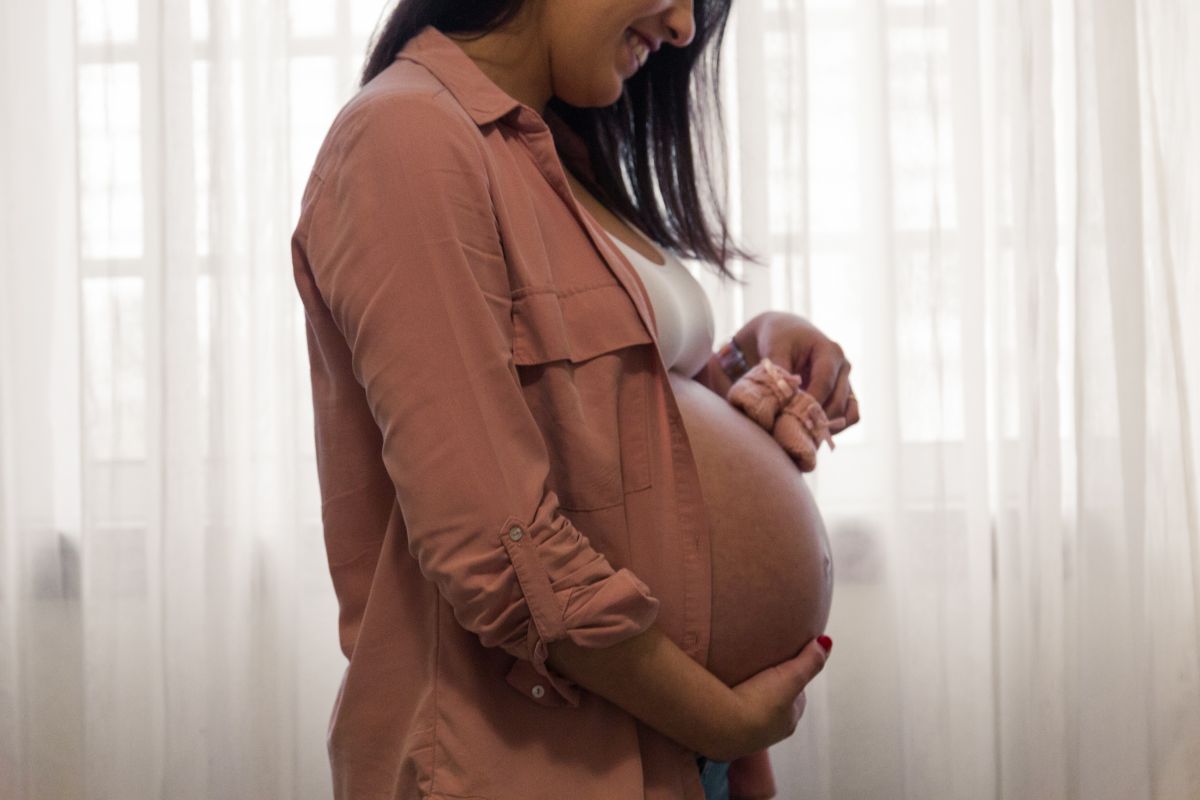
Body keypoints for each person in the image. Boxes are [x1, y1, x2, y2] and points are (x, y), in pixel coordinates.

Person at [290, 2, 858, 798]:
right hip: (539, 758)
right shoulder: (407, 138)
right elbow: (495, 544)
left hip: (674, 751)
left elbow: (604, 419)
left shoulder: (555, 146)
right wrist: (716, 719)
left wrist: (742, 357)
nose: (685, 28)